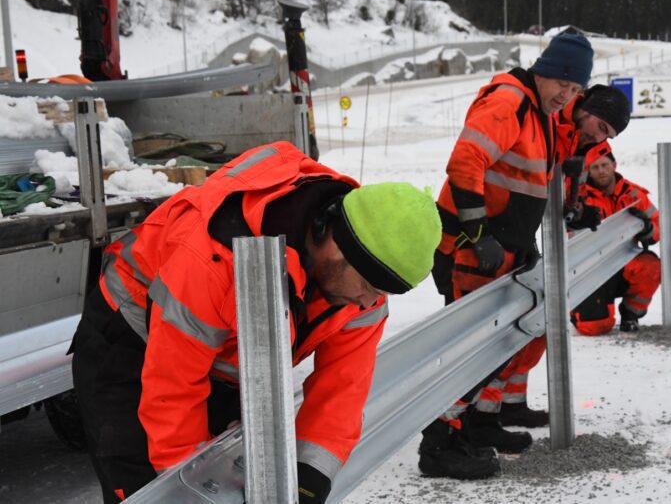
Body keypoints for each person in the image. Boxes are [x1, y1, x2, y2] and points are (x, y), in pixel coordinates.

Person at [69, 141, 442, 504]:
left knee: (235, 480)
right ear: (336, 245)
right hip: (130, 343)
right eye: (367, 286)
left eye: (381, 293)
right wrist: (189, 489)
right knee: (146, 489)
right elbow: (173, 391)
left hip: (222, 358)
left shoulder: (362, 289)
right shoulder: (216, 261)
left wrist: (309, 476)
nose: (369, 301)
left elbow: (341, 390)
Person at [423, 31, 594, 480]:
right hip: (470, 248)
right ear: (545, 70)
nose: (567, 95)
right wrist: (478, 233)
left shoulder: (539, 113)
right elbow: (465, 161)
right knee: (473, 349)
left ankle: (478, 425)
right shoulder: (510, 101)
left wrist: (523, 240)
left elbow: (527, 184)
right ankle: (438, 443)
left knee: (498, 347)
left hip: (501, 248)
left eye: (576, 89)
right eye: (563, 83)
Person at [488, 83, 633, 430]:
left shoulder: (588, 145)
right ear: (586, 107)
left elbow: (571, 186)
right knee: (494, 331)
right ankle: (479, 417)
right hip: (490, 231)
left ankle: (510, 403)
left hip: (524, 235)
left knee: (537, 323)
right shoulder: (548, 121)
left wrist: (576, 210)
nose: (598, 136)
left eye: (607, 134)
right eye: (599, 126)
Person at [570, 151, 660, 334]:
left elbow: (659, 229)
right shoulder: (578, 199)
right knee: (594, 328)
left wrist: (646, 229)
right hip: (590, 268)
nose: (601, 171)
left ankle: (630, 313)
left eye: (605, 165)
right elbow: (567, 238)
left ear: (614, 165)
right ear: (588, 170)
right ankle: (576, 308)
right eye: (595, 167)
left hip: (625, 260)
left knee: (650, 266)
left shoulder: (634, 194)